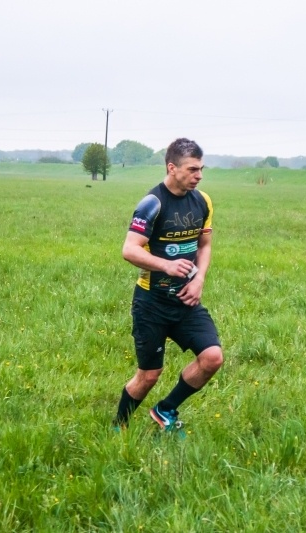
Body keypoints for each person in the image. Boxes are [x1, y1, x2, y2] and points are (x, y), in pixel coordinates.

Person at [113, 138, 224, 431]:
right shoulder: (153, 203)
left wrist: (199, 279)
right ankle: (118, 428)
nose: (199, 175)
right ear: (172, 167)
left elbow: (205, 245)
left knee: (212, 358)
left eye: (201, 169)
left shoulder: (203, 200)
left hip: (187, 300)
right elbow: (130, 249)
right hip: (152, 302)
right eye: (192, 169)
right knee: (149, 375)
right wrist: (166, 265)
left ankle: (165, 410)